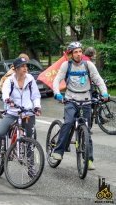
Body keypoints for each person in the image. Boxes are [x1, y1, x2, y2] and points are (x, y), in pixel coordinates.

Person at [51, 42, 109, 170]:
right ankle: (58, 151)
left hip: (86, 100)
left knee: (86, 130)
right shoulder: (66, 65)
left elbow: (98, 79)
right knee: (69, 122)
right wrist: (57, 94)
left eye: (80, 51)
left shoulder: (88, 65)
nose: (78, 54)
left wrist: (104, 92)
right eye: (75, 52)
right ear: (71, 54)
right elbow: (56, 80)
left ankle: (88, 159)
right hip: (71, 100)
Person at [0, 57, 41, 172]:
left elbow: (36, 95)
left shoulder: (30, 79)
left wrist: (37, 106)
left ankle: (31, 165)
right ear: (16, 69)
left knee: (30, 138)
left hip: (27, 113)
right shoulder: (10, 81)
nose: (25, 68)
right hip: (12, 113)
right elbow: (5, 93)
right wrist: (8, 100)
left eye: (26, 66)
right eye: (23, 66)